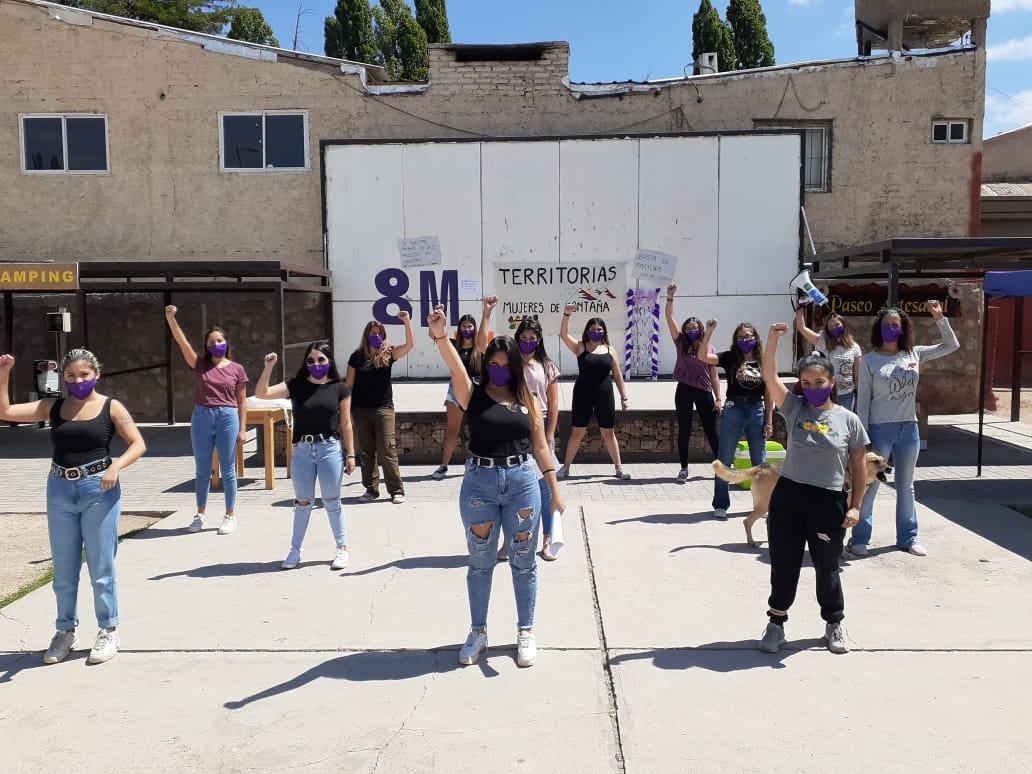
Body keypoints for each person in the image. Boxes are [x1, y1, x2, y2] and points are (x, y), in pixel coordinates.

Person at [427, 304, 565, 668]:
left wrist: (555, 491)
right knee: (480, 562)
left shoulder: (528, 399)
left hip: (522, 482)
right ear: (486, 363)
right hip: (479, 485)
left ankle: (526, 631)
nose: (498, 370)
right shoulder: (472, 393)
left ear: (516, 367)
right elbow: (455, 365)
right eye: (493, 363)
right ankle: (478, 632)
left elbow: (540, 446)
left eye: (506, 365)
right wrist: (441, 334)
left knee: (524, 563)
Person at [0, 349, 146, 665]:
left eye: (84, 375)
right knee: (64, 571)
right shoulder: (53, 406)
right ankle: (65, 630)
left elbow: (138, 443)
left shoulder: (110, 407)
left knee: (100, 568)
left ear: (96, 375)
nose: (77, 381)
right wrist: (5, 372)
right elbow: (6, 410)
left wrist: (116, 466)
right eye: (71, 376)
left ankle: (108, 630)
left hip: (99, 490)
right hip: (60, 490)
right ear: (63, 378)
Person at [756, 325, 869, 655]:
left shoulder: (849, 421)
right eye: (806, 383)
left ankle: (834, 622)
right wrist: (774, 340)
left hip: (828, 499)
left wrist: (855, 506)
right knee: (784, 563)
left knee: (827, 566)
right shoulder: (794, 409)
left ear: (832, 383)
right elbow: (769, 375)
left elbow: (859, 466)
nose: (813, 388)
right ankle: (776, 624)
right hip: (789, 497)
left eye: (819, 383)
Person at [849, 301, 959, 557]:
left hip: (909, 428)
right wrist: (863, 438)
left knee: (906, 485)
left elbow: (952, 346)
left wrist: (939, 318)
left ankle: (908, 537)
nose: (891, 329)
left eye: (895, 325)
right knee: (870, 484)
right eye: (887, 325)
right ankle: (860, 538)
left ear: (903, 328)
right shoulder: (869, 361)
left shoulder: (914, 354)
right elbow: (863, 399)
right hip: (878, 429)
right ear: (879, 328)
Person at [256, 343, 356, 570]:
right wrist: (268, 367)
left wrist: (351, 454)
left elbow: (346, 423)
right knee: (302, 502)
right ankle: (295, 549)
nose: (316, 365)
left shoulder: (340, 388)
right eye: (310, 361)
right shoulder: (296, 386)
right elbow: (261, 393)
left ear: (329, 361)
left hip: (329, 448)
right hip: (302, 450)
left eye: (321, 360)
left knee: (332, 501)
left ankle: (342, 548)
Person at [165, 306, 248, 535]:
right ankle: (200, 513)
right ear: (206, 346)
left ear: (227, 343)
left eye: (219, 340)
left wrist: (243, 429)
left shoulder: (237, 369)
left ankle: (230, 515)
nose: (216, 345)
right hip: (202, 417)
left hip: (227, 417)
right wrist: (171, 319)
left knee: (228, 469)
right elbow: (182, 343)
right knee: (202, 470)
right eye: (211, 342)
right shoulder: (200, 364)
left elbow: (242, 401)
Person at [698, 319, 773, 519]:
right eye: (741, 337)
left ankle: (762, 503)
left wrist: (769, 420)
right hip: (734, 409)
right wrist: (709, 332)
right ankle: (721, 503)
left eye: (748, 336)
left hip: (756, 410)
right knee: (725, 458)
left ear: (755, 338)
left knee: (760, 461)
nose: (745, 340)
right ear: (735, 340)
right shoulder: (731, 357)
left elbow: (769, 392)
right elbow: (703, 356)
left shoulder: (763, 360)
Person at [557, 304, 631, 480]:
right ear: (587, 331)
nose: (596, 332)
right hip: (583, 393)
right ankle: (565, 468)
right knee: (577, 431)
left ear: (604, 331)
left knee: (608, 432)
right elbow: (563, 335)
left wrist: (624, 397)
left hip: (604, 394)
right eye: (592, 329)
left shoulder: (610, 350)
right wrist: (567, 314)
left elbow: (618, 375)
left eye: (599, 329)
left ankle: (619, 468)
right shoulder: (580, 347)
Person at [346, 312, 414, 504]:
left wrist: (406, 322)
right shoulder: (356, 357)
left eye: (379, 333)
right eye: (372, 333)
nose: (376, 336)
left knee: (387, 449)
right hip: (360, 410)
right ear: (366, 336)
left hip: (383, 409)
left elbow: (409, 345)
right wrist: (346, 411)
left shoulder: (389, 354)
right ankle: (371, 489)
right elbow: (348, 385)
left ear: (383, 336)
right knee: (366, 452)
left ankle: (396, 490)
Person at [515, 317, 561, 561]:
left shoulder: (548, 366)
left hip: (541, 426)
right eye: (524, 338)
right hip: (517, 424)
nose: (528, 342)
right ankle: (517, 537)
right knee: (518, 486)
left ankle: (548, 537)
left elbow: (553, 406)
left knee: (546, 489)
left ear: (539, 340)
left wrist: (550, 434)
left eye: (533, 338)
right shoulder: (510, 364)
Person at [431, 299, 493, 480]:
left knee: (479, 429)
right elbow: (434, 334)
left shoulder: (479, 347)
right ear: (459, 328)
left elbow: (483, 334)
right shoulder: (453, 345)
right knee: (453, 431)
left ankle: (480, 463)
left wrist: (486, 312)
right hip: (454, 392)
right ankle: (443, 466)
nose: (468, 329)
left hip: (476, 392)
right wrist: (438, 314)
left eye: (470, 326)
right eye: (464, 326)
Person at [665, 284, 721, 482]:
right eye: (688, 328)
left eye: (694, 328)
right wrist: (670, 297)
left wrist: (719, 399)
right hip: (684, 389)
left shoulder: (709, 348)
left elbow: (714, 375)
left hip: (704, 391)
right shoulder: (681, 343)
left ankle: (722, 468)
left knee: (710, 430)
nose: (691, 331)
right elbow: (670, 319)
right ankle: (683, 468)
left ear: (700, 329)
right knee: (684, 429)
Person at [794, 307, 863, 411]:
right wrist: (801, 308)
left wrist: (861, 396)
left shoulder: (854, 347)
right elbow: (801, 327)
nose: (834, 328)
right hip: (826, 393)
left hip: (847, 394)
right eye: (830, 326)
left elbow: (857, 375)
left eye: (837, 325)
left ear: (843, 325)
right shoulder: (822, 341)